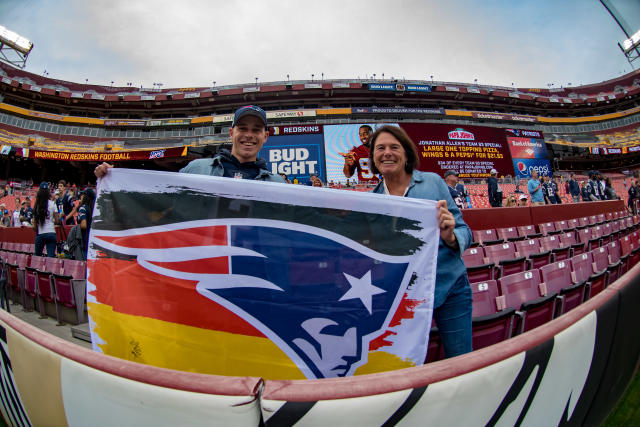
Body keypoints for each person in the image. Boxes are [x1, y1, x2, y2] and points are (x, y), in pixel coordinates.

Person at [367, 125, 473, 359]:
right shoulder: (371, 201)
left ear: (406, 153)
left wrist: (452, 237)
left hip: (450, 288)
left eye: (394, 147)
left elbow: (466, 230)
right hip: (403, 298)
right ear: (373, 157)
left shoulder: (433, 183)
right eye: (380, 148)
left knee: (461, 360)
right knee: (407, 364)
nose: (387, 153)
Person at [96, 105, 285, 184]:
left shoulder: (277, 184)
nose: (249, 135)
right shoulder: (196, 169)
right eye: (242, 128)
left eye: (256, 130)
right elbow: (160, 203)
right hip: (203, 264)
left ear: (265, 136)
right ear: (231, 133)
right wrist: (114, 179)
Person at [33, 182, 59, 257]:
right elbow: (57, 221)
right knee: (50, 258)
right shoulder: (52, 204)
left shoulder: (37, 205)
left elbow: (34, 227)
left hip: (41, 233)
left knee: (37, 257)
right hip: (51, 232)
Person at [77, 188, 95, 260]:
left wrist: (76, 228)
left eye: (83, 195)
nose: (81, 196)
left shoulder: (83, 208)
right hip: (93, 237)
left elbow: (84, 225)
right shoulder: (94, 209)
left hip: (84, 238)